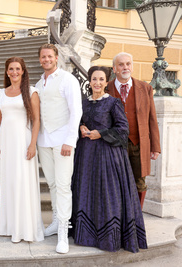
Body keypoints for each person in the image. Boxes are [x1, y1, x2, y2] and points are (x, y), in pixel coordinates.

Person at [71, 66, 148, 253]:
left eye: (101, 79)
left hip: (107, 155)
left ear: (107, 82)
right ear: (89, 82)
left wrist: (101, 133)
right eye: (94, 79)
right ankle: (85, 235)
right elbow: (76, 121)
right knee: (86, 190)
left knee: (106, 192)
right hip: (86, 155)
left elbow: (123, 129)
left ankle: (109, 237)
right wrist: (81, 126)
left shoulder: (113, 103)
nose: (97, 83)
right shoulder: (83, 103)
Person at [35, 44, 82, 254]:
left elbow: (76, 110)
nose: (46, 60)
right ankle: (55, 221)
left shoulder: (68, 79)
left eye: (50, 56)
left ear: (56, 58)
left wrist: (70, 140)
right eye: (43, 57)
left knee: (63, 185)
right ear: (40, 60)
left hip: (63, 140)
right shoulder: (39, 83)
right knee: (52, 184)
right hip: (44, 140)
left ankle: (63, 230)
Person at [0, 57, 43, 243]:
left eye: (17, 69)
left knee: (22, 181)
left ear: (23, 71)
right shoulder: (1, 93)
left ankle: (24, 228)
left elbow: (37, 119)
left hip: (23, 140)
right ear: (7, 72)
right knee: (8, 181)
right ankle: (8, 225)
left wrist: (32, 144)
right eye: (11, 69)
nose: (14, 72)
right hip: (5, 142)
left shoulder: (31, 92)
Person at [108, 52, 161, 209]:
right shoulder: (107, 88)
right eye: (121, 64)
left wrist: (155, 147)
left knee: (139, 182)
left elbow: (152, 118)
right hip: (115, 144)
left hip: (139, 143)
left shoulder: (145, 88)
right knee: (115, 181)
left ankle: (136, 218)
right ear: (114, 68)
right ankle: (118, 216)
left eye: (128, 64)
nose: (125, 67)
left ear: (132, 66)